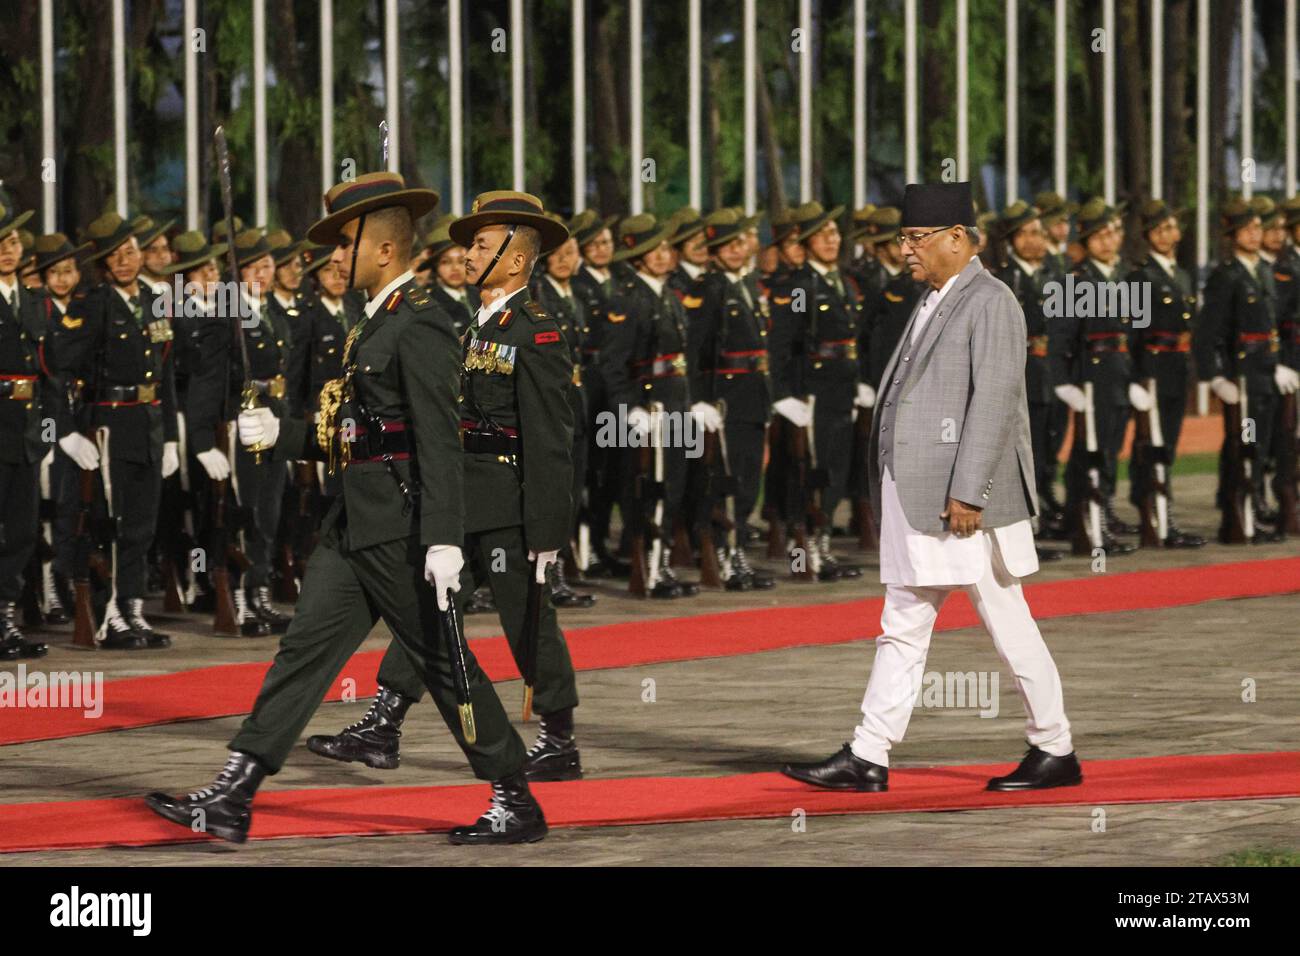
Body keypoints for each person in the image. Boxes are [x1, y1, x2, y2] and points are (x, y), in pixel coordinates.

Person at [145, 172, 548, 846]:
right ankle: (234, 791)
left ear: (383, 251)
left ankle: (514, 798)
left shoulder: (421, 324)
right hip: (354, 523)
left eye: (342, 246)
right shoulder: (376, 322)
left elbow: (438, 437)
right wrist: (287, 434)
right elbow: (360, 430)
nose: (332, 257)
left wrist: (447, 538)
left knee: (447, 667)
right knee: (301, 654)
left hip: (407, 530)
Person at [782, 181, 1081, 794]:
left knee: (1005, 622)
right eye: (902, 238)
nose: (906, 249)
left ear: (957, 239)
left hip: (965, 504)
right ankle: (869, 752)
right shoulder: (937, 295)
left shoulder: (990, 300)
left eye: (916, 238)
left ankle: (1054, 747)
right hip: (923, 494)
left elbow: (995, 402)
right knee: (907, 619)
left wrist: (970, 491)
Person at [50, 212, 179, 648]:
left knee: (142, 525)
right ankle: (107, 615)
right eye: (114, 256)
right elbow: (54, 366)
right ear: (103, 266)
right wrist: (64, 430)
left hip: (149, 422)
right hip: (109, 425)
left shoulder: (155, 297)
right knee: (112, 525)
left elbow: (168, 373)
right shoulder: (93, 303)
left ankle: (133, 609)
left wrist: (173, 437)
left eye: (130, 251)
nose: (124, 261)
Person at [1198, 197, 1298, 542]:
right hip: (1243, 377)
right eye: (1249, 228)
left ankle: (1253, 508)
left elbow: (1277, 326)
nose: (1256, 234)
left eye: (1259, 227)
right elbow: (1209, 333)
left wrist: (1280, 364)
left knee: (1262, 445)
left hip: (1266, 374)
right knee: (1246, 446)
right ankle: (1238, 515)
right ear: (1233, 234)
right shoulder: (1226, 277)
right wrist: (1215, 377)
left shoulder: (1264, 272)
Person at [1055, 198, 1141, 554]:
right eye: (1101, 235)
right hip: (1092, 376)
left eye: (1114, 233)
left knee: (1110, 449)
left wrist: (1137, 377)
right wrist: (1063, 382)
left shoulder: (1127, 276)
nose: (1110, 241)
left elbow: (1137, 334)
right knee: (1090, 451)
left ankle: (1102, 510)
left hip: (1119, 375)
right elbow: (1060, 338)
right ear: (1087, 241)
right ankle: (1085, 520)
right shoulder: (1075, 281)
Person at [1124, 200, 1205, 547]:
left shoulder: (1181, 275)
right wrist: (1134, 379)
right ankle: (1153, 513)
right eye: (1160, 230)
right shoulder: (1140, 276)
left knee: (1167, 445)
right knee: (1151, 446)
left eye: (1171, 228)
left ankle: (1162, 511)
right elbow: (1132, 334)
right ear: (1148, 235)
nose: (1167, 235)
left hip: (1176, 369)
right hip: (1152, 370)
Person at [0, 197, 50, 659]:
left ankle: (5, 618)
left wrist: (52, 431)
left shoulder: (34, 302)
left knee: (20, 530)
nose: (7, 249)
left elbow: (47, 370)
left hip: (28, 433)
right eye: (0, 243)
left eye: (13, 240)